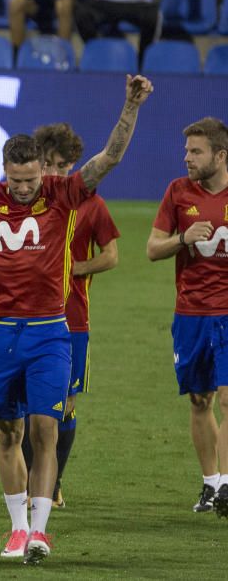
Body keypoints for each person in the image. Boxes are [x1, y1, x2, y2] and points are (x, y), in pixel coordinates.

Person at [0, 75, 153, 564]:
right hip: (0, 335)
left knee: (45, 429)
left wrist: (130, 106)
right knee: (7, 433)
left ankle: (40, 531)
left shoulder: (64, 193)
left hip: (49, 333)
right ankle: (16, 530)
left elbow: (111, 156)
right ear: (4, 171)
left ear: (43, 170)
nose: (22, 189)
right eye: (15, 180)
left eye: (30, 180)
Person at [21, 122, 120, 508]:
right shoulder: (25, 201)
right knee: (31, 410)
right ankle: (34, 484)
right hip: (25, 317)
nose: (55, 173)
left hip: (72, 320)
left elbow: (111, 255)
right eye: (50, 164)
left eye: (64, 166)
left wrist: (74, 268)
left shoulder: (89, 203)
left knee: (64, 406)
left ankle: (53, 482)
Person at [146, 117, 228, 518]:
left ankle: (227, 483)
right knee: (200, 400)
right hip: (191, 313)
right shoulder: (177, 192)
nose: (187, 158)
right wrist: (182, 238)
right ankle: (212, 483)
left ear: (220, 155)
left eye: (196, 152)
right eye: (186, 151)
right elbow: (152, 249)